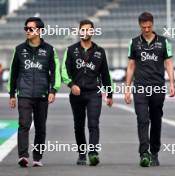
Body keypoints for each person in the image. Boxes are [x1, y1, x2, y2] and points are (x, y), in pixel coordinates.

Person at [8, 17, 61, 167]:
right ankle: (23, 156)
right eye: (26, 28)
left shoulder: (50, 50)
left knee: (40, 127)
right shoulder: (19, 49)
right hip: (24, 94)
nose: (27, 31)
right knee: (24, 124)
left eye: (30, 28)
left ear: (39, 31)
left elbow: (55, 72)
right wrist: (12, 94)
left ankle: (37, 157)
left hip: (42, 95)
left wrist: (53, 90)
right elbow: (13, 73)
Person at [124, 12, 175, 167]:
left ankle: (154, 152)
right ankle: (144, 153)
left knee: (156, 120)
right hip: (140, 87)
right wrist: (127, 89)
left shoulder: (164, 42)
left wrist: (172, 83)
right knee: (142, 119)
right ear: (140, 26)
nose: (146, 29)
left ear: (153, 25)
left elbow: (169, 64)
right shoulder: (133, 43)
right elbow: (131, 66)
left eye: (149, 26)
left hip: (158, 87)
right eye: (143, 27)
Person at [62, 19, 113, 166]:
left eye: (88, 30)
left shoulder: (99, 51)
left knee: (93, 123)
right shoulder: (71, 50)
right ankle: (82, 154)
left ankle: (93, 153)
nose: (85, 32)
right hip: (76, 94)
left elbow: (106, 75)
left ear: (93, 32)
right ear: (79, 32)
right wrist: (71, 85)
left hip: (94, 93)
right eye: (82, 30)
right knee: (78, 125)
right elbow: (64, 71)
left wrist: (109, 94)